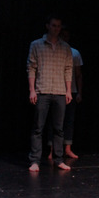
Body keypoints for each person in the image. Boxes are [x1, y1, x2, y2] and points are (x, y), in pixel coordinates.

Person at [27, 15, 73, 171]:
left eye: (59, 26)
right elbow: (31, 68)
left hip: (60, 91)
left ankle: (59, 159)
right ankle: (35, 160)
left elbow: (68, 69)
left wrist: (68, 91)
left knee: (59, 128)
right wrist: (32, 90)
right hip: (42, 90)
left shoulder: (65, 47)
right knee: (38, 127)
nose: (56, 29)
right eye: (54, 25)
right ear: (48, 26)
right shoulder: (36, 45)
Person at [47, 27, 83, 159]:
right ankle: (52, 150)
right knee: (54, 121)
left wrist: (79, 92)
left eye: (67, 36)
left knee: (69, 120)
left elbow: (78, 75)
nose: (65, 38)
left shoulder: (75, 53)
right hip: (57, 90)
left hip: (71, 91)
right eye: (63, 36)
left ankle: (67, 148)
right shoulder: (56, 51)